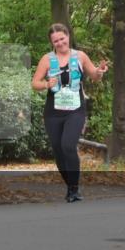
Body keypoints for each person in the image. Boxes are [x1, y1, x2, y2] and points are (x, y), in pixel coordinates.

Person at [32, 24, 108, 202]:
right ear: (52, 43)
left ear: (68, 36)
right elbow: (35, 83)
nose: (60, 43)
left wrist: (100, 72)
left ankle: (74, 190)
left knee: (68, 146)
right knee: (58, 151)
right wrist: (45, 85)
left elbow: (94, 76)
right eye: (55, 41)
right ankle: (71, 185)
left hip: (75, 110)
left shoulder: (80, 56)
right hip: (53, 112)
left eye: (62, 38)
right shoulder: (47, 59)